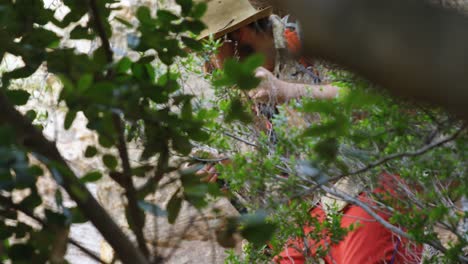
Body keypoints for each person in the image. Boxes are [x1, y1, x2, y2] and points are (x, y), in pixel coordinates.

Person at [194, 0, 423, 263]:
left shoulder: (318, 41)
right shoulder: (237, 95)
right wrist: (231, 175)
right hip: (309, 213)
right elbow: (274, 194)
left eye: (210, 50)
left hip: (367, 185)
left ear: (238, 36)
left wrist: (288, 91)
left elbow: (387, 102)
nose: (208, 65)